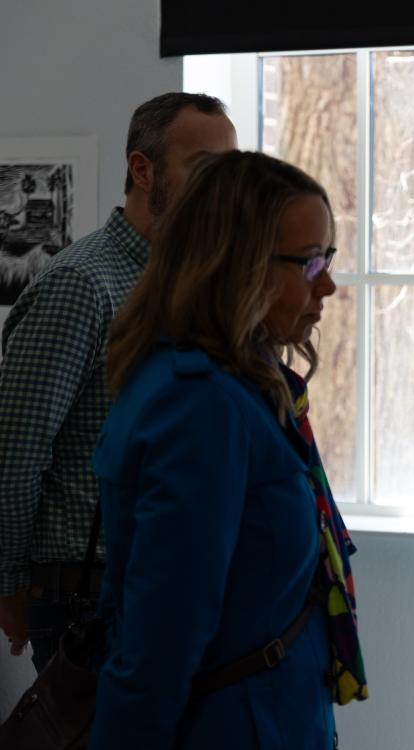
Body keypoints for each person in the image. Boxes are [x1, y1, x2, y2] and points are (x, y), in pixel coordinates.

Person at [88, 150, 365, 748]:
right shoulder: (200, 404)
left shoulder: (242, 384)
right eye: (310, 262)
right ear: (234, 265)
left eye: (330, 258)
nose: (330, 284)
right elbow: (160, 640)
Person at [0, 92, 237, 671]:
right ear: (142, 169)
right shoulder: (84, 283)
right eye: (204, 167)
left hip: (171, 576)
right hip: (89, 591)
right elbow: (16, 450)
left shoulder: (191, 282)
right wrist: (8, 586)